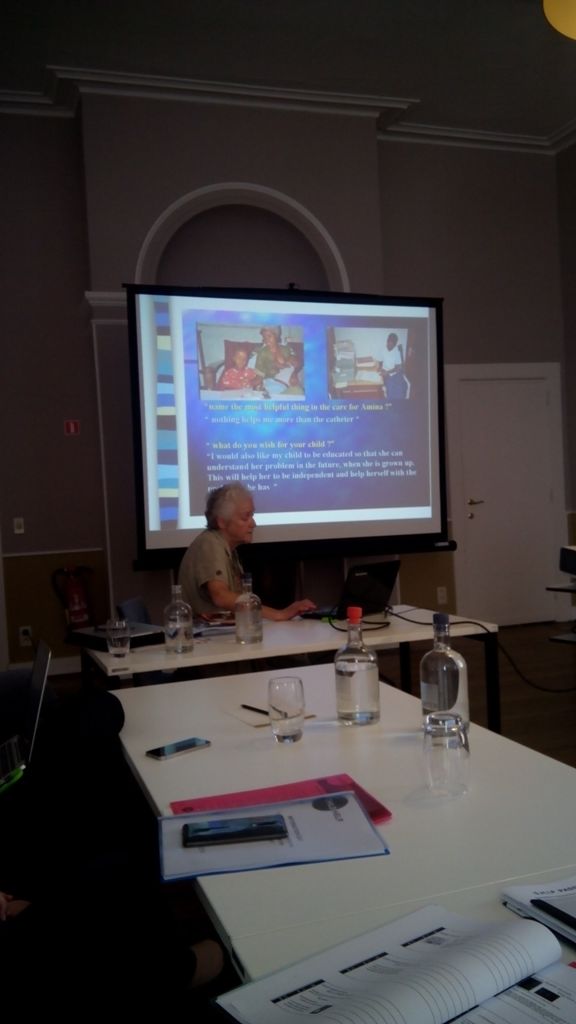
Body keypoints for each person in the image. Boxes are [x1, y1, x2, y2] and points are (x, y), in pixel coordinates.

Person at [178, 482, 316, 620]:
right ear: (222, 522)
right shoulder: (209, 544)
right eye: (245, 517)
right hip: (207, 633)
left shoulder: (228, 549)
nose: (253, 524)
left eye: (252, 515)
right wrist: (279, 614)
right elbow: (221, 596)